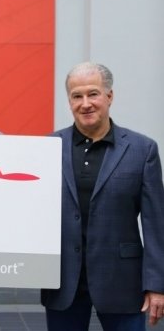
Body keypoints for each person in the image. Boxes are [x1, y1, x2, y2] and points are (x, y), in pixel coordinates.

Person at [41, 62, 164, 330]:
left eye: (93, 94)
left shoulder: (143, 150)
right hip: (64, 283)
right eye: (77, 96)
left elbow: (156, 225)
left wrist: (157, 286)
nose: (85, 103)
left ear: (109, 96)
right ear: (69, 101)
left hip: (122, 282)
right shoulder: (47, 148)